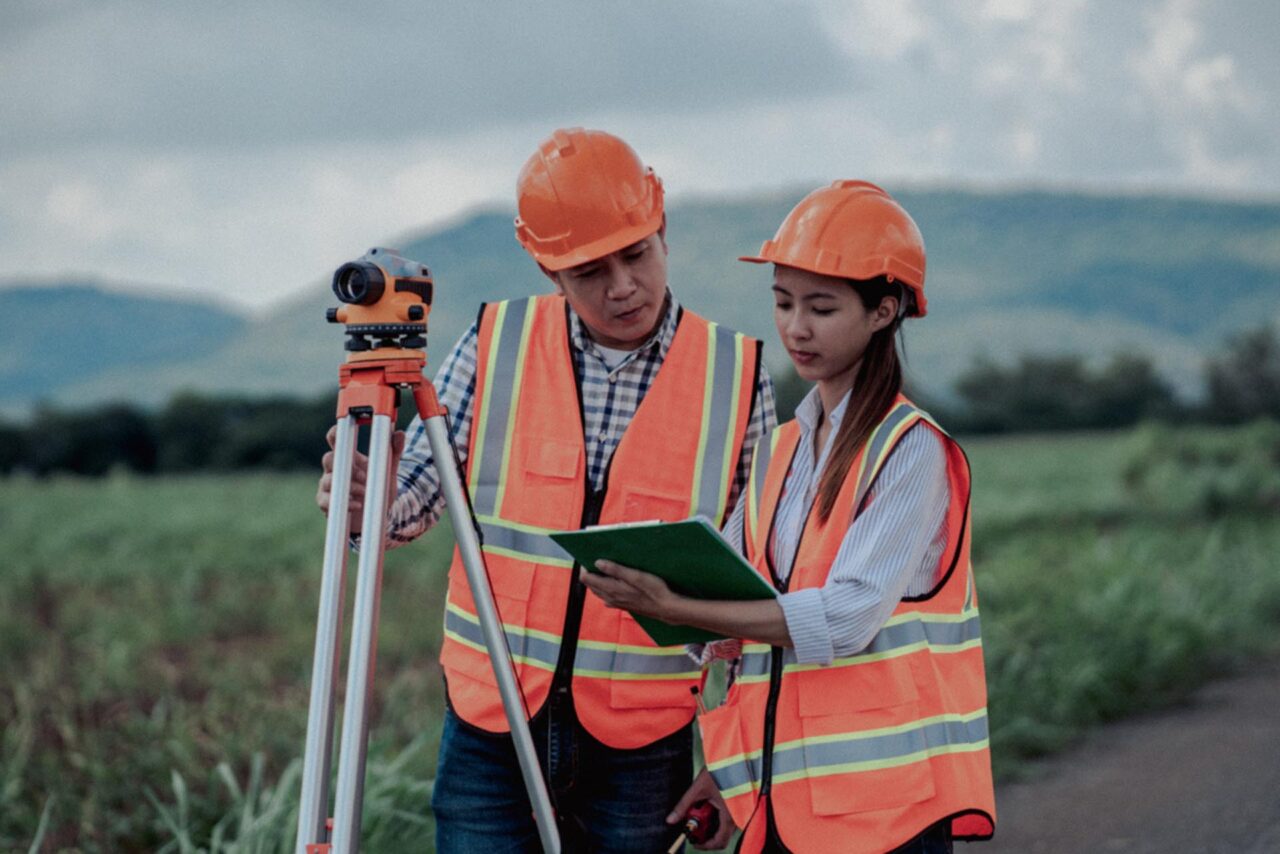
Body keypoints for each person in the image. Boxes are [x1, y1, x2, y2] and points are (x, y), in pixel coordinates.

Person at [316, 127, 777, 852]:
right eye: (591, 269)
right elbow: (412, 502)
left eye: (636, 253)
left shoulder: (738, 377)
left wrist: (735, 759)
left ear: (663, 229)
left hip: (643, 738)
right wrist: (364, 502)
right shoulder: (494, 342)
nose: (622, 285)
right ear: (546, 266)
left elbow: (759, 589)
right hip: (489, 721)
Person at [581, 180, 996, 853]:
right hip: (788, 812)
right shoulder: (783, 450)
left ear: (884, 311)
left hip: (884, 818)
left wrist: (684, 609)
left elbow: (841, 621)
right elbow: (752, 628)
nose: (796, 328)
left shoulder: (910, 449)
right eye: (782, 302)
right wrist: (726, 774)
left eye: (822, 308)